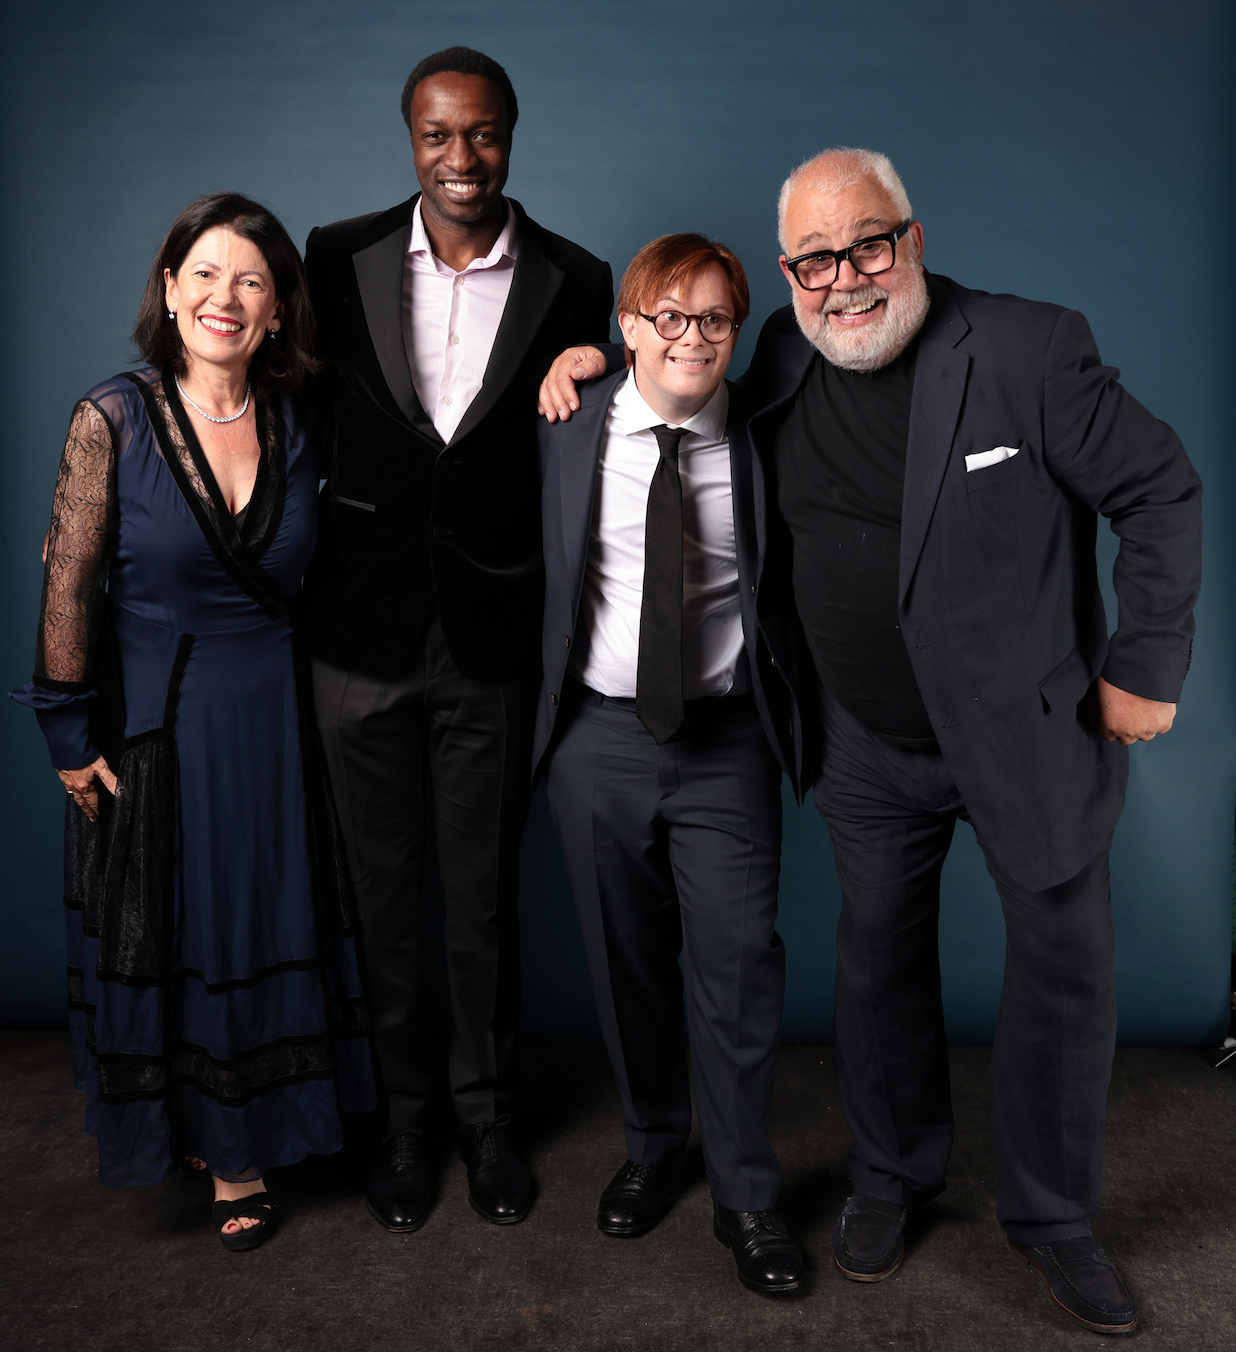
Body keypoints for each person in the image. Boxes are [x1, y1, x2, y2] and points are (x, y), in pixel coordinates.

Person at [539, 149, 1202, 1334]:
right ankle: (891, 1176)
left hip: (1028, 735)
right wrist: (588, 356)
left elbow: (1159, 488)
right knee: (878, 969)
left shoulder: (1028, 349)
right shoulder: (784, 357)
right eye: (813, 260)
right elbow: (673, 378)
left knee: (1063, 976)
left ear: (914, 238)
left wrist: (1144, 666)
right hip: (867, 745)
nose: (843, 279)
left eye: (867, 245)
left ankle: (1055, 1221)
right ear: (788, 274)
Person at [13, 193, 372, 1251]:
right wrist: (65, 733)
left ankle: (267, 1123)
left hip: (281, 727)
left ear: (275, 312)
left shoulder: (304, 420)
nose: (226, 296)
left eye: (251, 280)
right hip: (159, 730)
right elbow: (68, 585)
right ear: (169, 292)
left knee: (266, 925)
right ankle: (228, 1157)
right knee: (190, 934)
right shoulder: (109, 418)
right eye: (205, 274)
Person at [298, 47, 614, 1232]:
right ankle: (404, 1125)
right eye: (439, 136)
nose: (462, 158)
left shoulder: (577, 278)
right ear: (410, 140)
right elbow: (275, 396)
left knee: (480, 901)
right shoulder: (336, 256)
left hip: (492, 628)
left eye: (482, 135)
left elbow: (644, 387)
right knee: (381, 897)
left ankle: (486, 1123)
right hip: (355, 629)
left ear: (513, 136)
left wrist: (608, 355)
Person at [531, 236, 804, 1294]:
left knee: (738, 969)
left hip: (728, 740)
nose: (693, 339)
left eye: (716, 321)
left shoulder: (770, 423)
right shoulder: (566, 424)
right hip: (597, 738)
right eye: (669, 318)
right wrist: (578, 359)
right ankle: (653, 1146)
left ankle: (745, 1191)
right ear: (630, 326)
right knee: (627, 961)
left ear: (739, 332)